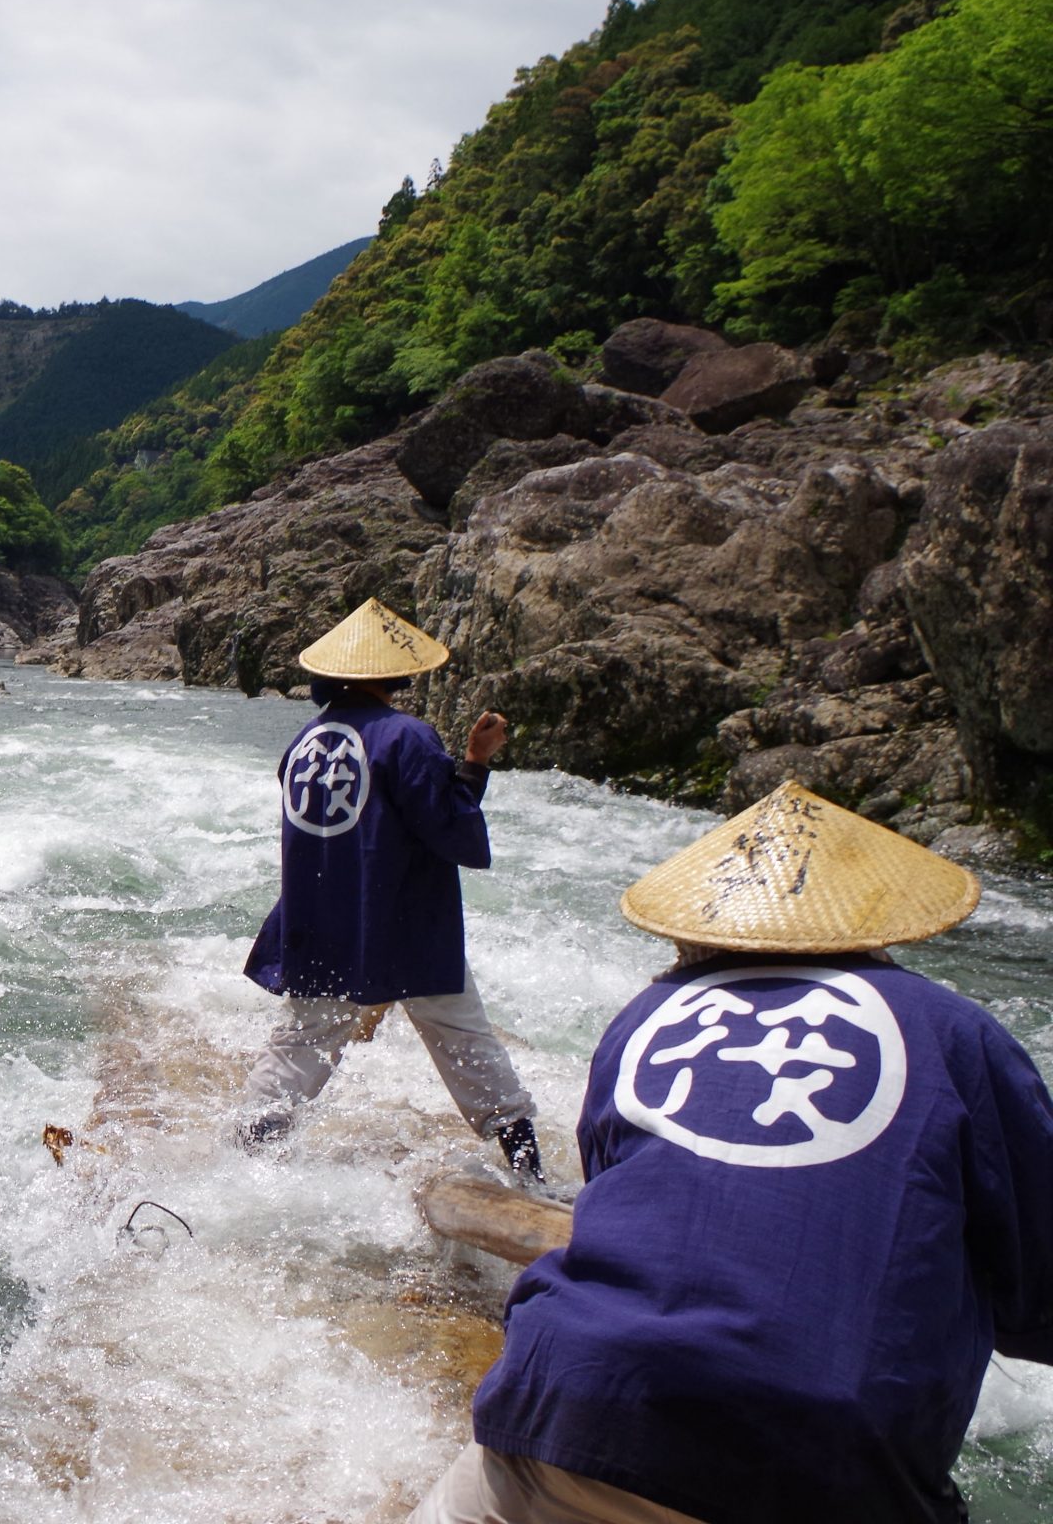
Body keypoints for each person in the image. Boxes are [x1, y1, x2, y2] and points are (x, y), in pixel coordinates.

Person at [415, 781, 1053, 1524]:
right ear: (876, 922)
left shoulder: (647, 1016)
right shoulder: (956, 1031)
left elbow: (626, 1205)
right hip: (823, 1460)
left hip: (564, 1401)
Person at [238, 598, 541, 1181]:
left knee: (301, 1044)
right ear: (392, 673)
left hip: (320, 915)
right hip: (400, 921)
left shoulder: (306, 739)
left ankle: (244, 1160)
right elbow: (449, 831)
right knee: (465, 1042)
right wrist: (477, 762)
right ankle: (530, 1173)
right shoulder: (408, 736)